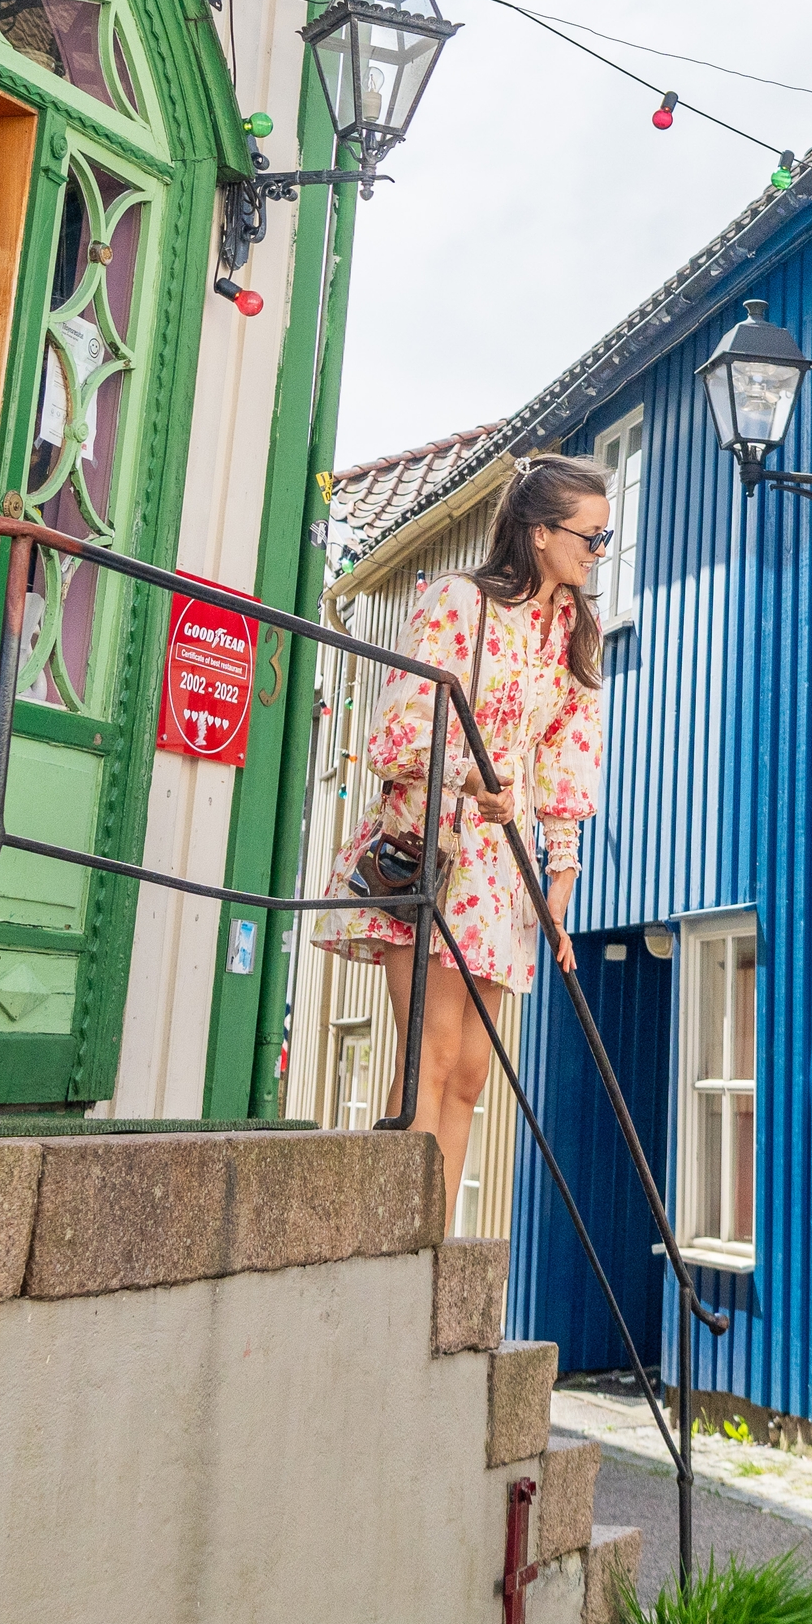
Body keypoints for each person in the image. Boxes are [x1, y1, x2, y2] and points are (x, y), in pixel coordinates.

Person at [321, 453, 609, 1223]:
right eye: (590, 536)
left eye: (604, 538)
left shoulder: (575, 633)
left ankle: (433, 1257)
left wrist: (561, 878)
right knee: (431, 1061)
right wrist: (468, 781)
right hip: (436, 851)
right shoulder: (459, 603)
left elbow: (564, 767)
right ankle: (395, 1254)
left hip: (500, 874)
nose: (598, 551)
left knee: (474, 1075)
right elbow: (397, 730)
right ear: (540, 533)